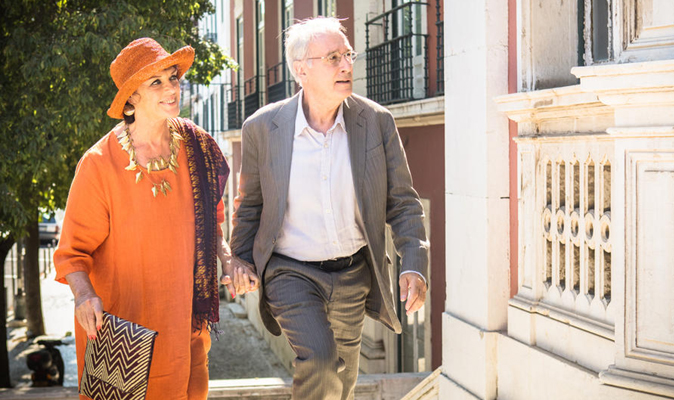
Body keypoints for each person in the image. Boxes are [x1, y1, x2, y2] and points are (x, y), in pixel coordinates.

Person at [226, 17, 429, 400]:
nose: (347, 65)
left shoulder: (376, 123)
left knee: (341, 383)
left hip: (354, 274)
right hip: (291, 272)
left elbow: (402, 202)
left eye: (348, 55)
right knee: (320, 360)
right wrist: (239, 260)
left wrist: (414, 262)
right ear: (301, 69)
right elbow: (250, 204)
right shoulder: (262, 128)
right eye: (333, 57)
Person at [54, 37, 231, 400]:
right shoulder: (98, 164)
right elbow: (72, 253)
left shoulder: (198, 147)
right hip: (124, 336)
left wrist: (228, 260)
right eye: (157, 82)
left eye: (173, 77)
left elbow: (212, 224)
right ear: (131, 97)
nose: (171, 88)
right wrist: (83, 294)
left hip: (184, 327)